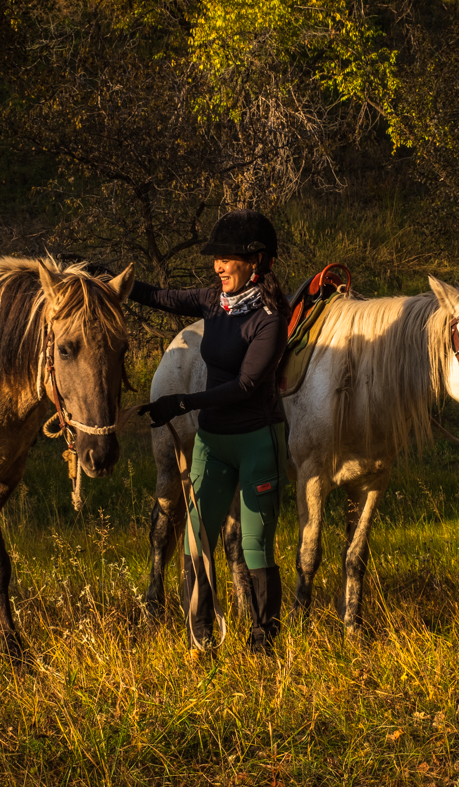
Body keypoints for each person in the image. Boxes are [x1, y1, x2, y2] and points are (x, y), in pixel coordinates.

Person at [133, 208, 290, 654]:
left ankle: (263, 646)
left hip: (258, 441)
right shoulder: (212, 301)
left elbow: (244, 386)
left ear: (256, 262)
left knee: (255, 547)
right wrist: (116, 283)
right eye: (216, 258)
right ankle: (201, 639)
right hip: (212, 444)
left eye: (228, 258)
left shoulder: (270, 318)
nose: (218, 266)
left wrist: (181, 403)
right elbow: (160, 296)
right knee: (196, 539)